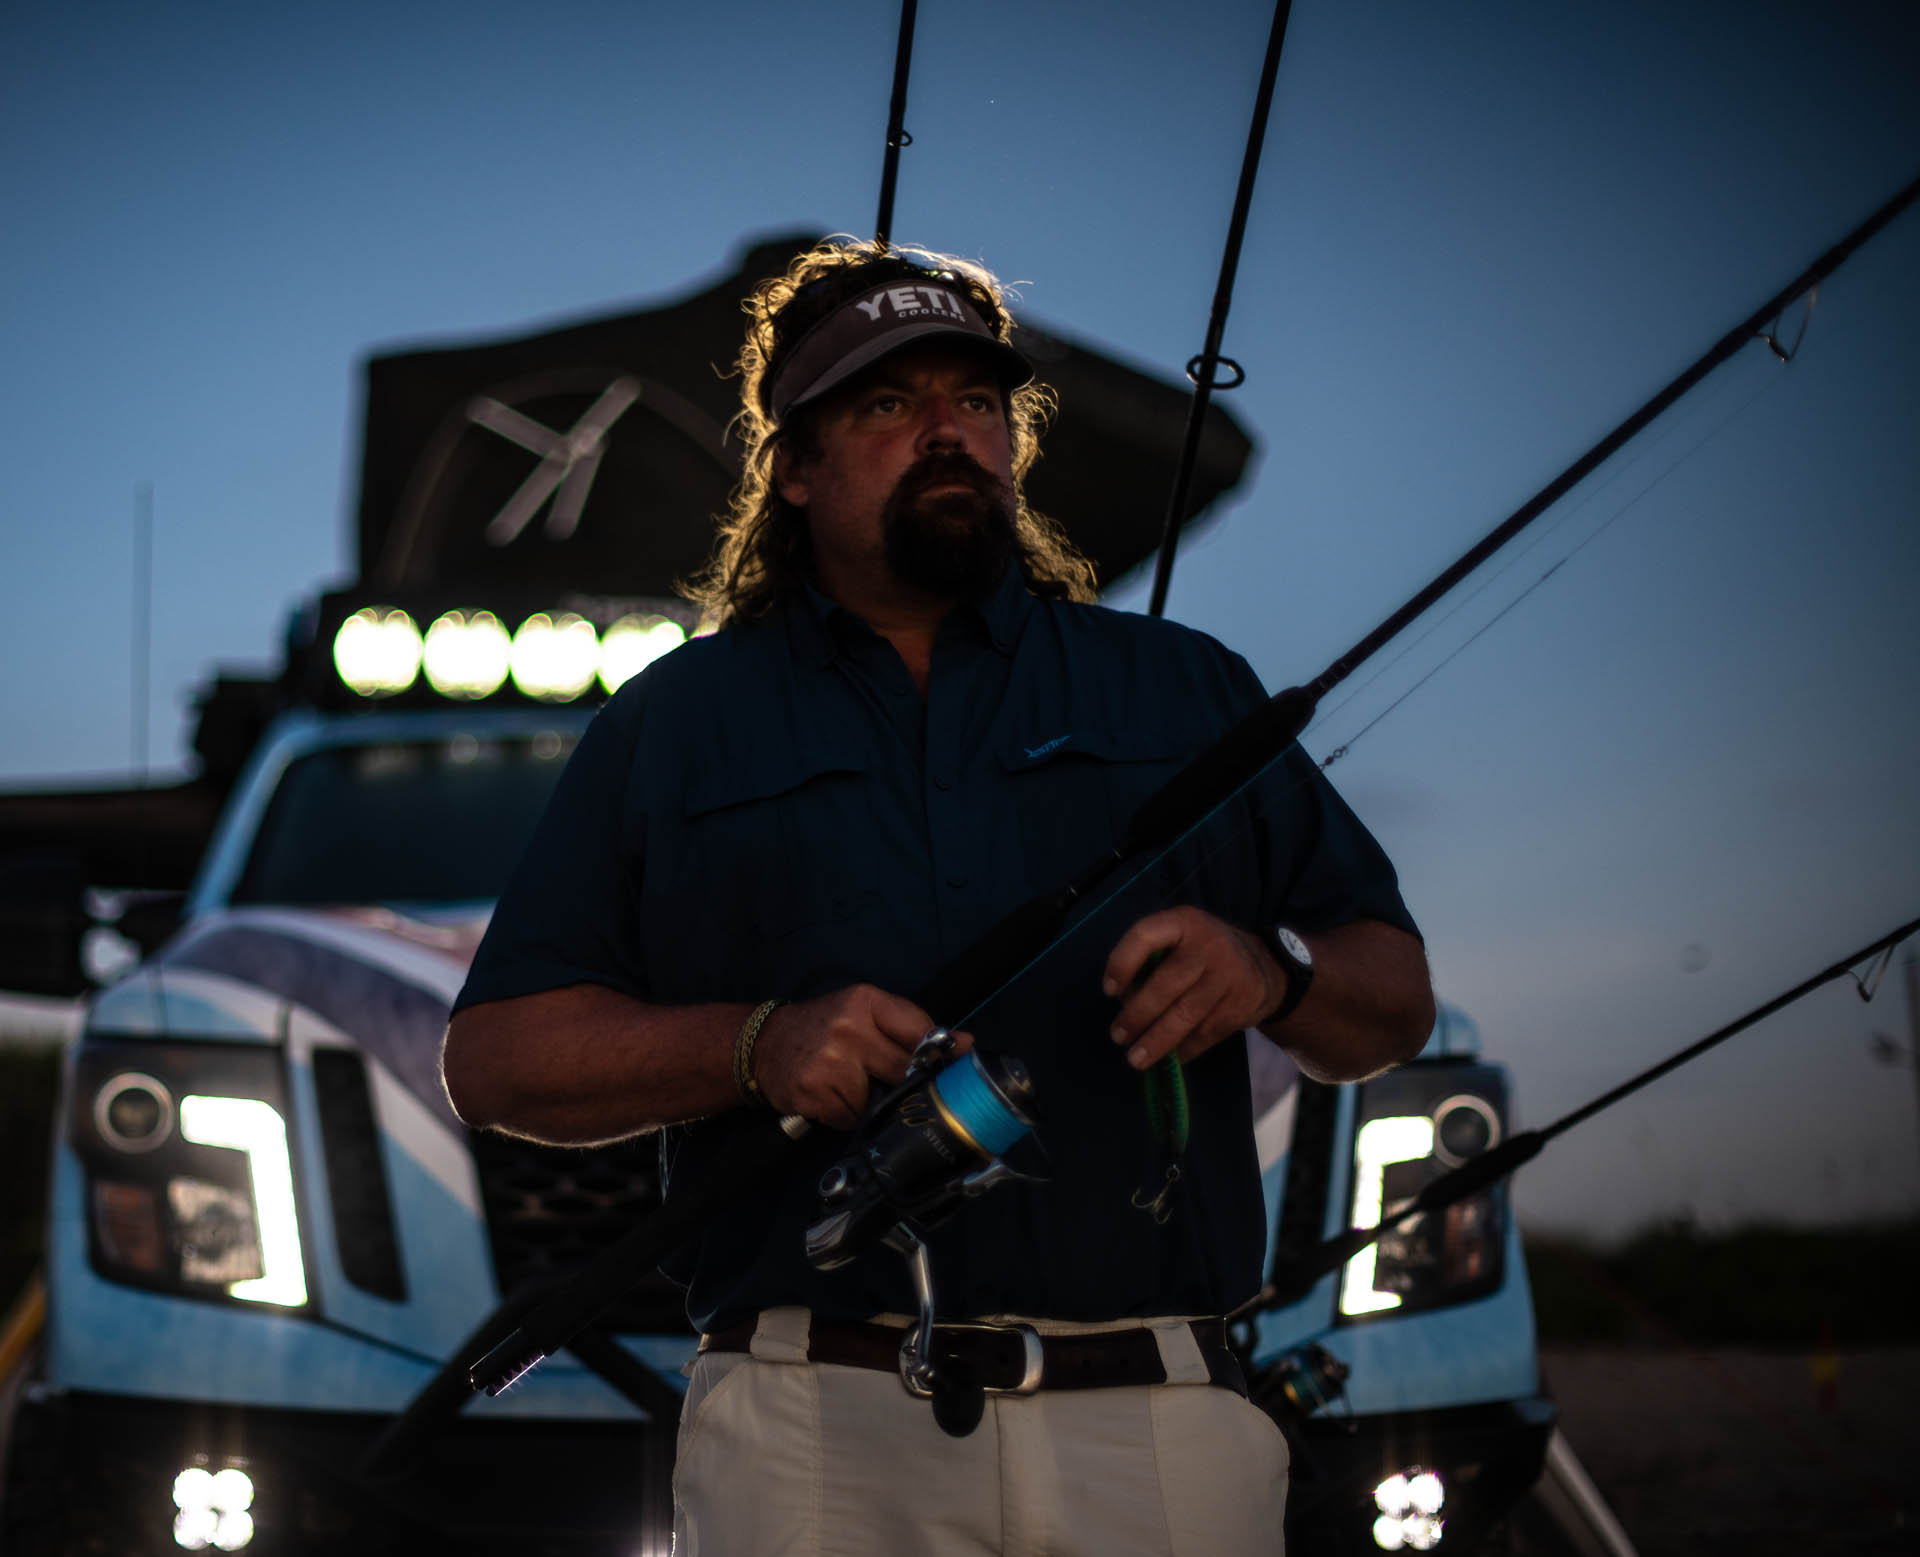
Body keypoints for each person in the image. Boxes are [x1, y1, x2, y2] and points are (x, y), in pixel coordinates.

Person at [441, 238, 1434, 1555]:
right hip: (808, 1429)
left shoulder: (1189, 691)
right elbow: (497, 1058)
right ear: (794, 467)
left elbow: (1394, 998)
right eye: (886, 405)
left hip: (1163, 1426)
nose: (949, 433)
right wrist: (754, 1045)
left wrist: (1274, 978)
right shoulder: (674, 724)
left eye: (976, 401)